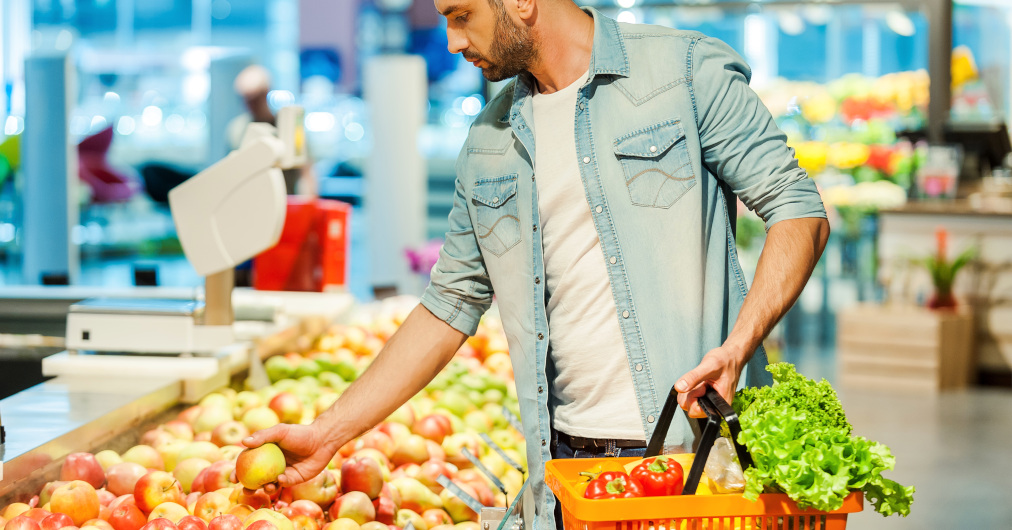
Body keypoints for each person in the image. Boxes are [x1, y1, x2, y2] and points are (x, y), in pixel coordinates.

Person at [241, 1, 830, 529]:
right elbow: (449, 303)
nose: (450, 41)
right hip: (566, 470)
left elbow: (798, 210)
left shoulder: (682, 72)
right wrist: (328, 433)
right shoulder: (490, 139)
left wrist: (737, 347)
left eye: (460, 15)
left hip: (690, 461)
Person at [228, 64, 317, 197]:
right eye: (247, 100)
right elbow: (232, 173)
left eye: (255, 99)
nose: (251, 105)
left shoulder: (289, 127)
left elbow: (306, 174)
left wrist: (307, 207)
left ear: (266, 93)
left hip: (286, 204)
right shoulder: (237, 130)